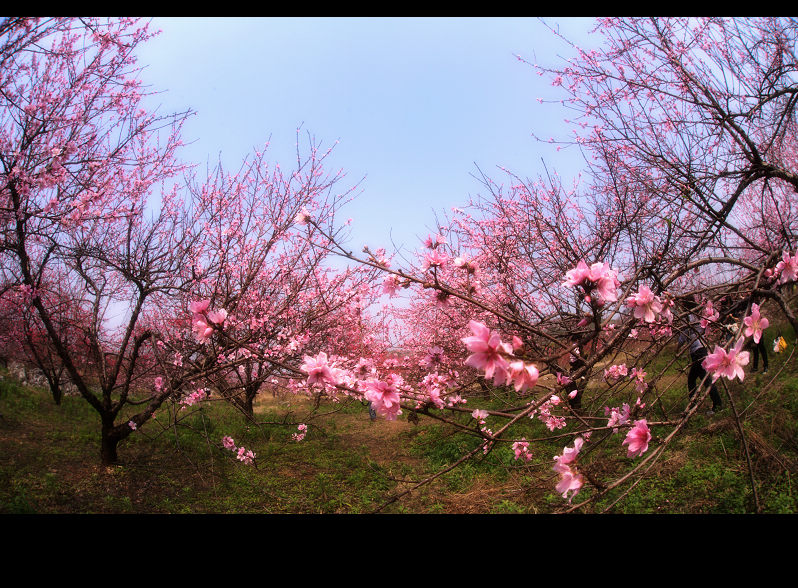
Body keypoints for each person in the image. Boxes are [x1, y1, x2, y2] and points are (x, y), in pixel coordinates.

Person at [678, 301, 723, 416]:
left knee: (704, 380)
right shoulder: (699, 316)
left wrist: (678, 347)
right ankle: (699, 404)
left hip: (697, 352)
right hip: (702, 350)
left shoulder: (688, 319)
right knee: (697, 379)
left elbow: (682, 337)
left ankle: (713, 405)